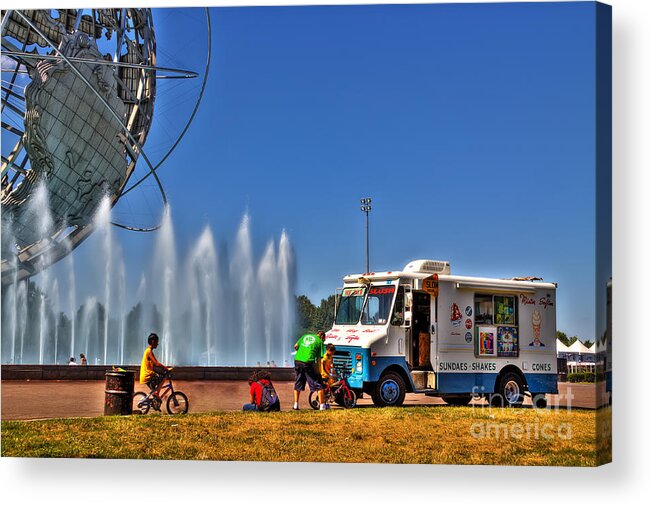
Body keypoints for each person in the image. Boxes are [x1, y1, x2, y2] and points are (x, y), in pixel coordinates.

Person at [293, 331, 327, 410]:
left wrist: (302, 350)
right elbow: (319, 359)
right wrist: (319, 371)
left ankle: (296, 404)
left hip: (297, 360)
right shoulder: (320, 342)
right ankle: (322, 406)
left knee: (298, 381)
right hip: (308, 362)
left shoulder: (305, 336)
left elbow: (295, 346)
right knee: (318, 382)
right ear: (322, 337)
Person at [139, 333, 170, 403]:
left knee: (160, 378)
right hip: (147, 375)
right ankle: (156, 394)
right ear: (153, 342)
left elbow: (155, 365)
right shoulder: (149, 351)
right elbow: (156, 363)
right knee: (163, 377)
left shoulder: (149, 351)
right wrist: (166, 368)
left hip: (147, 374)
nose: (157, 344)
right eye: (157, 342)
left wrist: (161, 370)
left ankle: (156, 397)